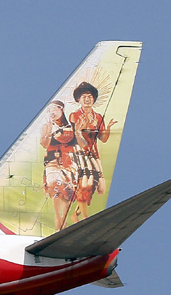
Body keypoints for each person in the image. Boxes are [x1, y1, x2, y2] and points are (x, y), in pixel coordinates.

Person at [69, 81, 117, 222]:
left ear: (94, 99)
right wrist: (78, 131)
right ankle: (84, 217)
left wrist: (107, 128)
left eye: (90, 96)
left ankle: (76, 214)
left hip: (93, 153)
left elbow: (103, 138)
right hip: (80, 153)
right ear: (79, 99)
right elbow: (77, 139)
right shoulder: (75, 115)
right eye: (84, 96)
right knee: (85, 182)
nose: (87, 98)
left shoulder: (98, 117)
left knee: (96, 185)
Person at [40, 100, 77, 231]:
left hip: (68, 162)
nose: (52, 112)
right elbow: (44, 144)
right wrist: (49, 131)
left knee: (67, 194)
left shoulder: (71, 126)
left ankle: (64, 225)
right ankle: (58, 225)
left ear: (62, 110)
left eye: (55, 109)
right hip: (52, 162)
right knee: (55, 190)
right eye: (50, 110)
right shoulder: (47, 126)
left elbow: (77, 142)